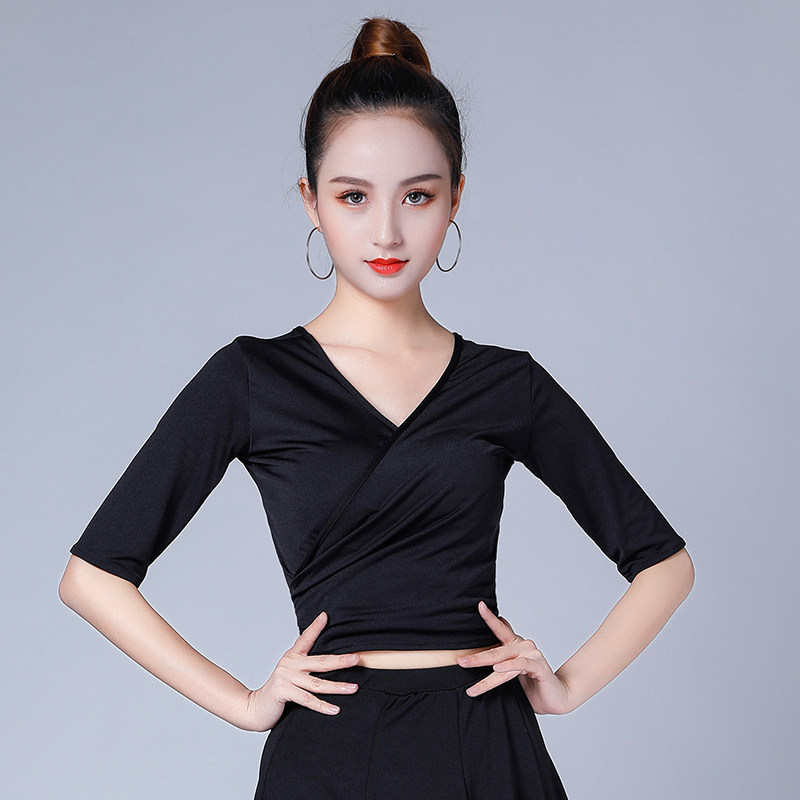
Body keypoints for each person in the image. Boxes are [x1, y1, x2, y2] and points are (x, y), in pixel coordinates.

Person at [59, 16, 694, 799]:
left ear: (455, 199)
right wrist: (245, 704)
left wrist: (566, 685)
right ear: (311, 201)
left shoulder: (507, 384)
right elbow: (92, 577)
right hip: (327, 754)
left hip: (486, 749)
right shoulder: (252, 379)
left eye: (417, 195)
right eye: (354, 196)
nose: (387, 231)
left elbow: (664, 566)